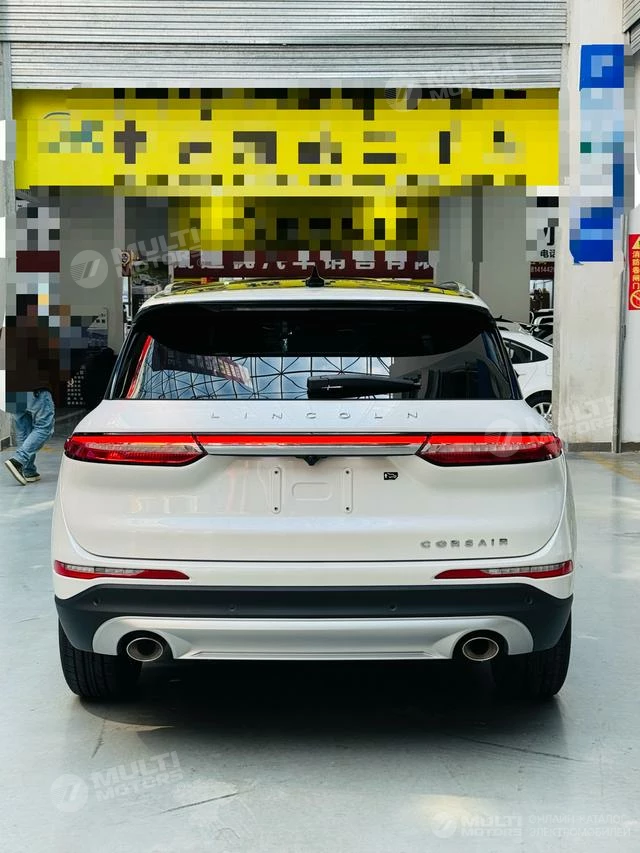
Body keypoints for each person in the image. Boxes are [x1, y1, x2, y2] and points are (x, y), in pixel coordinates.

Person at [4, 388, 55, 485]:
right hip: (36, 390)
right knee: (44, 428)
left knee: (24, 431)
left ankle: (28, 470)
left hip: (11, 390)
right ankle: (18, 460)